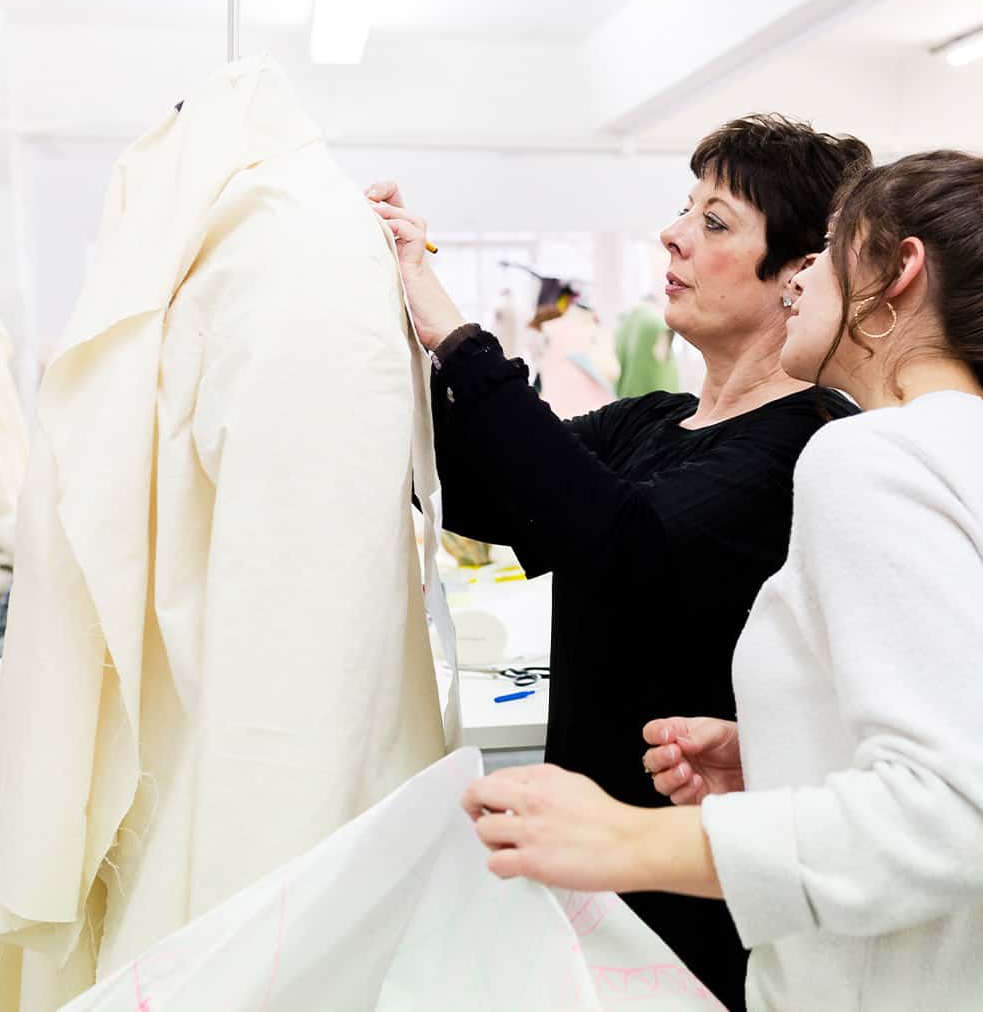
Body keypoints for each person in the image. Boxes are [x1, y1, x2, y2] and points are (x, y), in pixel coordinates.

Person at [459, 151, 983, 1010]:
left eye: (826, 252)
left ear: (899, 272)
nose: (801, 278)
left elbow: (957, 818)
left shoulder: (875, 456)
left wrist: (624, 839)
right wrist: (794, 753)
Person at [366, 115, 868, 1009]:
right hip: (593, 867)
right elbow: (477, 485)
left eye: (714, 221)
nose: (674, 235)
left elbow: (616, 539)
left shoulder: (810, 442)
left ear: (798, 275)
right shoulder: (653, 420)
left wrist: (456, 332)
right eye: (686, 210)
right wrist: (383, 314)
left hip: (697, 891)